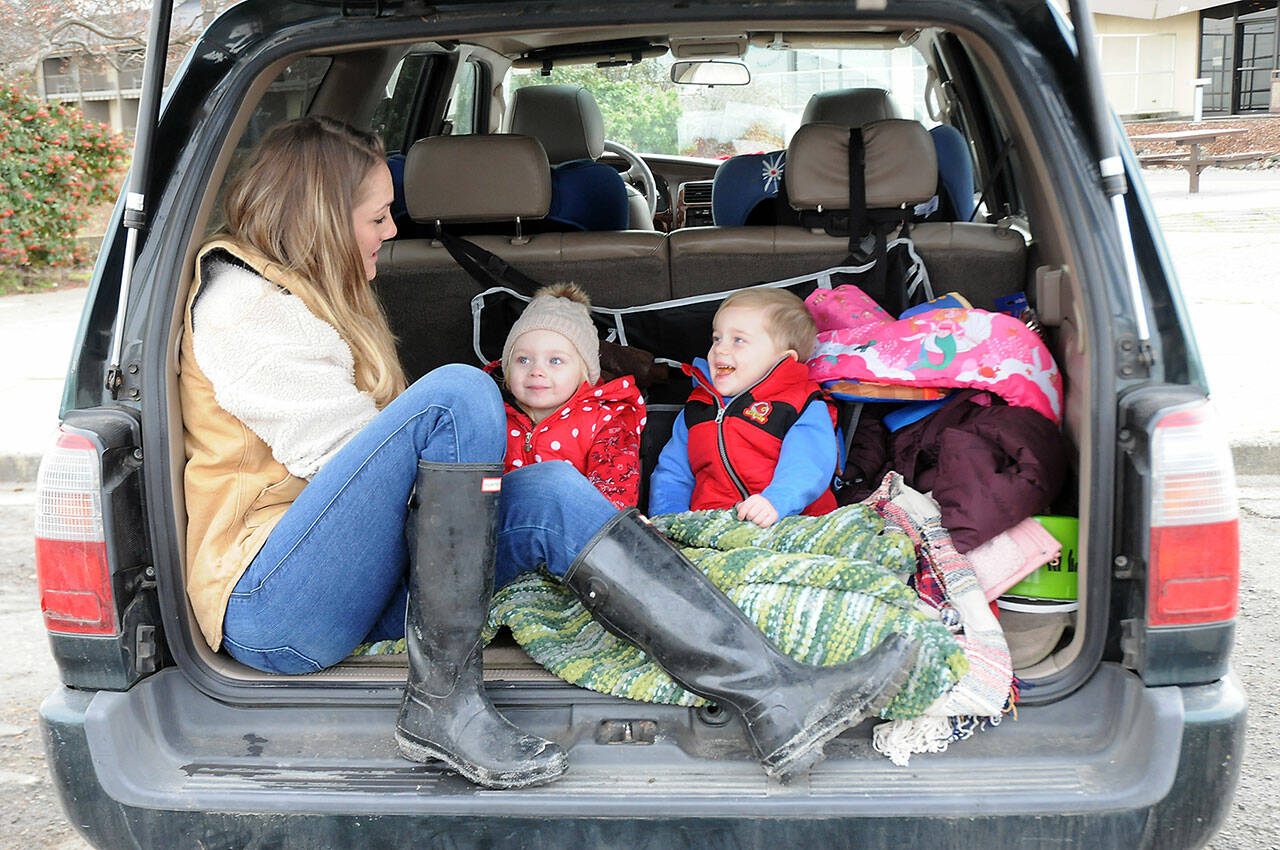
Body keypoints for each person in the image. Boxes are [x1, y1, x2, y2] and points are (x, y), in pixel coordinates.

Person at [179, 116, 917, 792]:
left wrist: (519, 504)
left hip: (340, 575)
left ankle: (776, 696)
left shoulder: (305, 298)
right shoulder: (248, 310)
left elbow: (401, 495)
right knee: (463, 392)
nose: (391, 231)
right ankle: (442, 708)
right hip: (274, 603)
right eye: (376, 217)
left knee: (556, 490)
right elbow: (355, 472)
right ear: (319, 219)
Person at [648, 287, 839, 526]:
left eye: (738, 340)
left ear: (783, 359)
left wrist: (776, 501)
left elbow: (809, 465)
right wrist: (668, 521)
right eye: (717, 338)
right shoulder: (697, 407)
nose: (720, 348)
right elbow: (673, 474)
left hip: (793, 522)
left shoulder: (801, 404)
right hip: (714, 527)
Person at [495, 282, 645, 520]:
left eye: (555, 361)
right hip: (500, 531)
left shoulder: (605, 422)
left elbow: (614, 494)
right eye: (523, 360)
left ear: (584, 373)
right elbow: (472, 482)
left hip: (573, 534)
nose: (536, 370)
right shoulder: (491, 415)